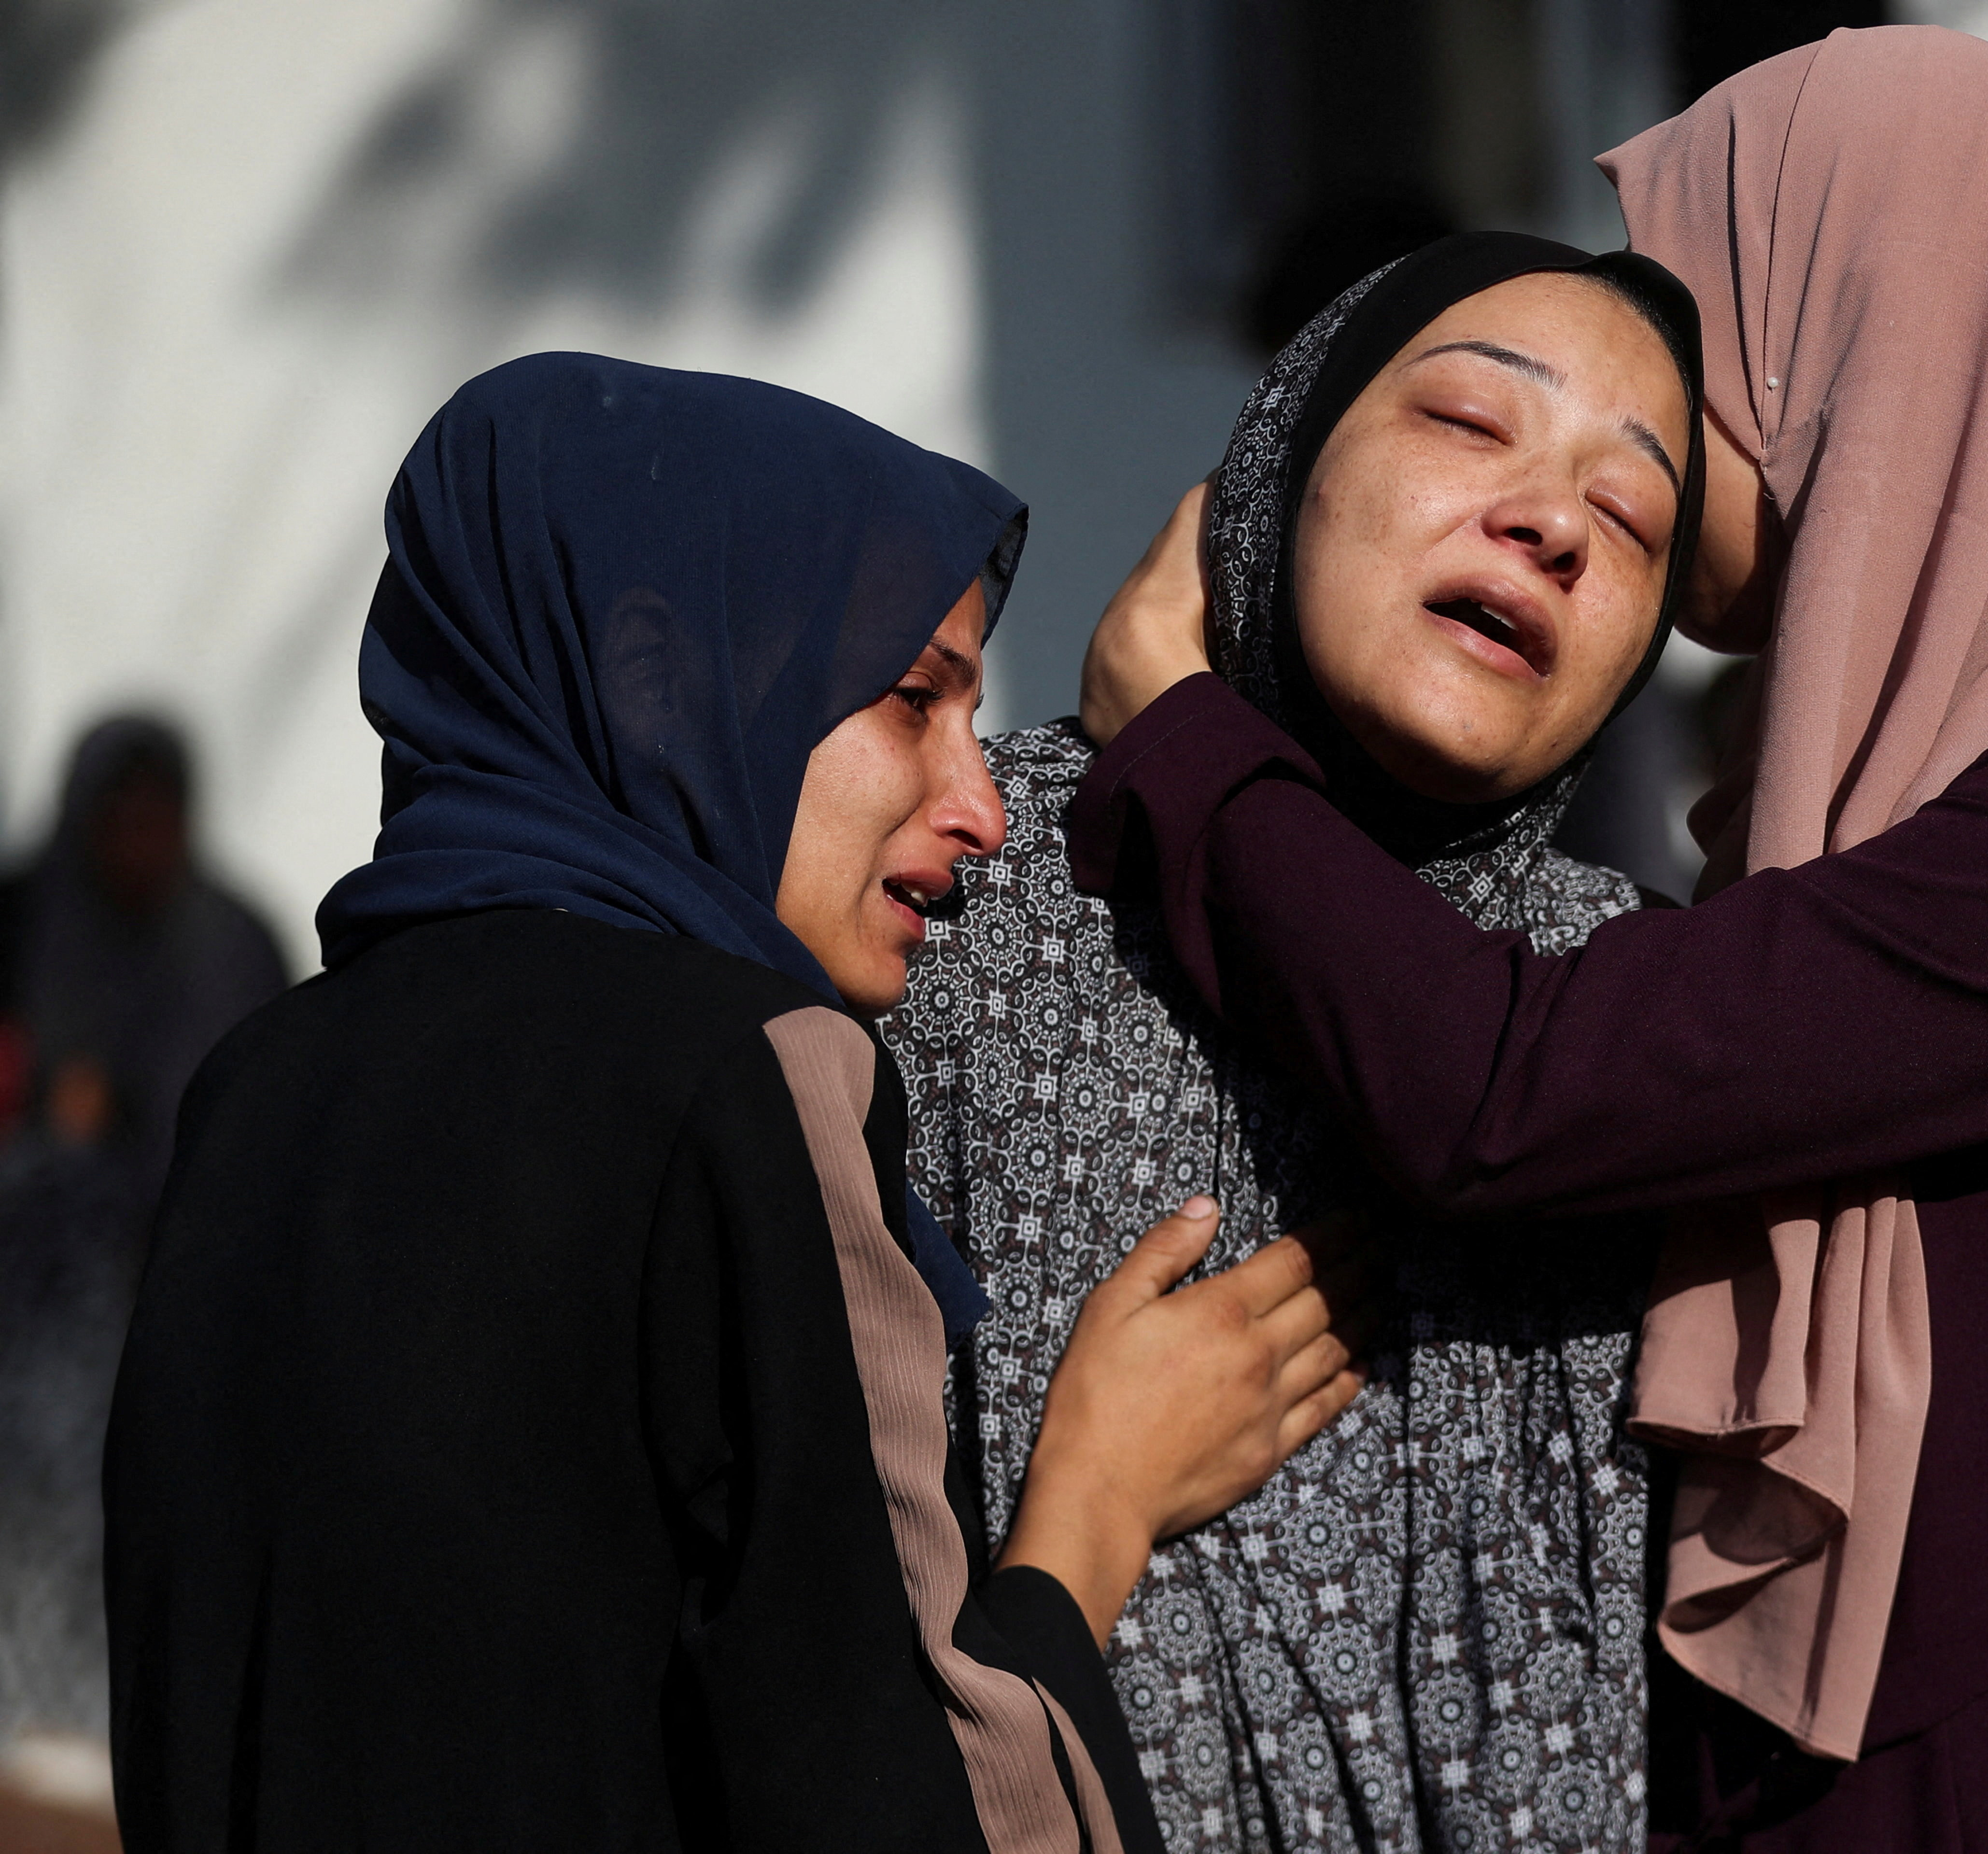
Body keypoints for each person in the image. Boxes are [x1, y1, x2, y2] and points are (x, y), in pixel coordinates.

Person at [1072, 27, 1988, 1854]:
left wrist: (1185, 746)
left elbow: (1515, 1091)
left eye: (1702, 339)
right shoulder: (1949, 793)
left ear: (1888, 352)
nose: (1655, 416)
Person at [103, 353, 1367, 1854]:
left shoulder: (260, 1087)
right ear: (654, 676)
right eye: (915, 699)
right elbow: (902, 1790)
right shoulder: (744, 1068)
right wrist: (1094, 1503)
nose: (986, 800)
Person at [886, 230, 1703, 1851]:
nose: (1551, 523)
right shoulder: (954, 900)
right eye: (1472, 424)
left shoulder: (1643, 1012)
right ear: (1278, 462)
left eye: (1631, 519)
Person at [0, 716, 287, 1196]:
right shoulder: (22, 925)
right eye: (122, 818)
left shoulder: (234, 949)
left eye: (156, 817)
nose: (139, 842)